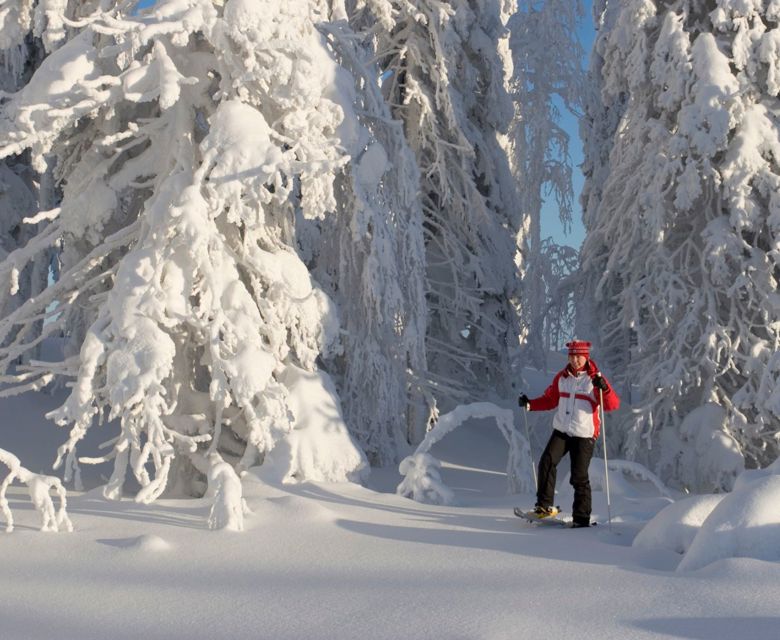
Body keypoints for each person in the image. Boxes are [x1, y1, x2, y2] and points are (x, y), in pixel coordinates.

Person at [518, 340, 620, 528]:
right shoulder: (562, 378)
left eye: (578, 356)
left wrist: (604, 388)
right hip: (562, 430)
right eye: (572, 356)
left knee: (579, 476)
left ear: (586, 357)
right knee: (547, 462)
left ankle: (581, 519)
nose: (575, 360)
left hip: (584, 434)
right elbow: (550, 399)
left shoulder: (594, 379)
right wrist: (530, 404)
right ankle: (544, 507)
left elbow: (612, 404)